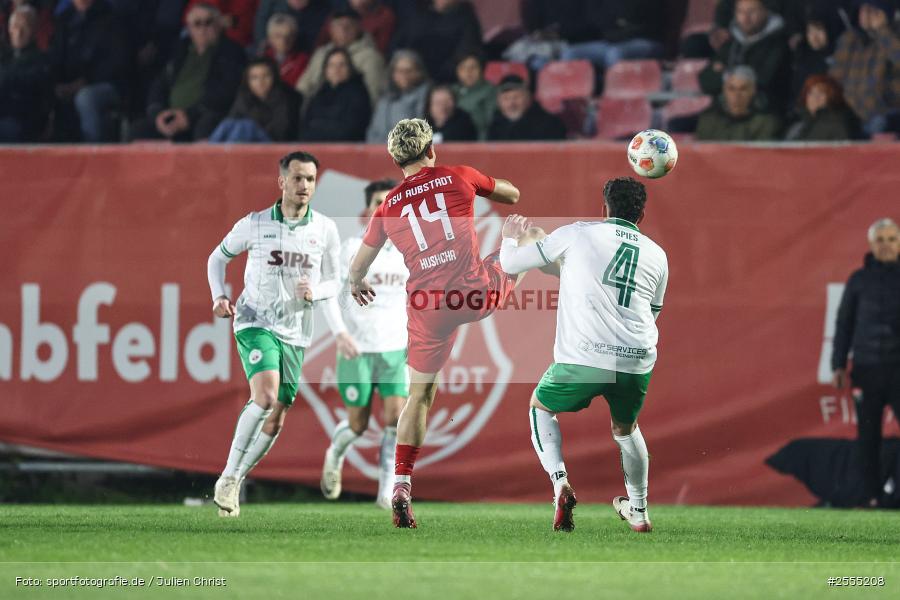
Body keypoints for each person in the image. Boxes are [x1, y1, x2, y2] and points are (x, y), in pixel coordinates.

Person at [348, 118, 523, 528]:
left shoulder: (387, 205)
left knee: (419, 396)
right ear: (431, 151)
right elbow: (512, 195)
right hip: (472, 293)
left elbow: (358, 267)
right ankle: (528, 252)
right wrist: (487, 195)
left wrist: (356, 282)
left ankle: (401, 484)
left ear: (395, 160)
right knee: (524, 239)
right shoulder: (459, 175)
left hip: (427, 307)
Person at [498, 177, 668, 533]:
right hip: (637, 357)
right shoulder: (657, 254)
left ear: (603, 208)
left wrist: (510, 236)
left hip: (586, 357)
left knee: (540, 407)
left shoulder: (579, 233)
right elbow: (651, 312)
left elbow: (512, 264)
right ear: (642, 214)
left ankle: (560, 483)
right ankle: (639, 511)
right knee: (626, 429)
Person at [208, 151, 341, 517]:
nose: (304, 186)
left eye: (311, 179)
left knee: (277, 415)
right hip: (255, 321)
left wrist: (319, 292)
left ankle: (233, 478)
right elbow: (217, 258)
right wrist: (219, 295)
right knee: (264, 397)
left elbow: (338, 279)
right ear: (282, 182)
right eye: (297, 178)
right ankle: (229, 478)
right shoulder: (254, 224)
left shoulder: (325, 229)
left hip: (296, 331)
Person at [320, 179, 409, 510]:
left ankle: (386, 492)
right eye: (377, 202)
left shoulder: (409, 254)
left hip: (395, 347)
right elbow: (333, 295)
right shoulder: (350, 250)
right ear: (367, 211)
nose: (383, 208)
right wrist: (340, 333)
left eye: (389, 202)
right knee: (358, 424)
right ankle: (336, 451)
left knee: (394, 420)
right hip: (357, 347)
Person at [832, 218, 900, 509]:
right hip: (867, 369)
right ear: (871, 244)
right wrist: (838, 364)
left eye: (891, 239)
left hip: (899, 371)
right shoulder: (859, 280)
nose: (885, 245)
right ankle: (872, 497)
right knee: (867, 438)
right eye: (880, 240)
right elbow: (844, 324)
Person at [133, 3, 246, 141]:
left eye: (208, 22)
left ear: (219, 25)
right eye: (197, 23)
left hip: (204, 114)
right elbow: (160, 84)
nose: (203, 28)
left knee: (206, 126)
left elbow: (226, 92)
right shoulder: (179, 50)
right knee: (138, 130)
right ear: (189, 28)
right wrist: (157, 114)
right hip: (171, 114)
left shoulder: (231, 52)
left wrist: (190, 114)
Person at [48, 0, 128, 142]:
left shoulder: (111, 17)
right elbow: (55, 58)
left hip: (107, 84)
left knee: (85, 97)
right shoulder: (63, 19)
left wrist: (85, 81)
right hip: (68, 84)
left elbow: (116, 61)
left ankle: (93, 154)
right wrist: (55, 84)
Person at [699, 0, 791, 111]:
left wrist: (725, 74)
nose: (745, 18)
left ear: (766, 12)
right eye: (740, 12)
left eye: (752, 12)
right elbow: (705, 80)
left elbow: (764, 80)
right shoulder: (732, 43)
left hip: (763, 112)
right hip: (725, 113)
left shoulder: (779, 44)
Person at [830, 0, 900, 137]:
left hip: (886, 113)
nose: (867, 15)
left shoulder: (894, 36)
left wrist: (882, 31)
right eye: (863, 10)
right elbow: (834, 77)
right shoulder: (849, 38)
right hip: (850, 115)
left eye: (873, 11)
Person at [295, 8, 384, 110]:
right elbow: (304, 85)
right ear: (331, 30)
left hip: (349, 115)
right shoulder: (321, 53)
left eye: (349, 25)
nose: (343, 29)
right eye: (338, 25)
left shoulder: (370, 58)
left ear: (359, 28)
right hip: (314, 113)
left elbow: (374, 95)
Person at [209, 56, 300, 142]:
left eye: (266, 76)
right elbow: (233, 120)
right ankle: (209, 152)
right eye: (254, 78)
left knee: (247, 126)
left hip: (274, 144)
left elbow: (280, 132)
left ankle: (229, 156)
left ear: (275, 77)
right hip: (246, 141)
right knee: (227, 124)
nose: (260, 82)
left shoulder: (285, 97)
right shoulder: (244, 96)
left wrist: (253, 128)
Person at [390, 0, 482, 83]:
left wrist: (433, 75)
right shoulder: (418, 13)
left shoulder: (466, 17)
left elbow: (466, 51)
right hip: (410, 74)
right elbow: (399, 42)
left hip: (445, 80)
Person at [298, 46, 371, 141]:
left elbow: (350, 130)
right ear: (325, 70)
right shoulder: (318, 94)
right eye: (331, 65)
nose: (336, 69)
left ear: (350, 69)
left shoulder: (359, 94)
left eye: (342, 65)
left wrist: (319, 127)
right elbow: (305, 127)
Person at [0, 5, 50, 142]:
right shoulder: (4, 57)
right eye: (15, 26)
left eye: (24, 27)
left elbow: (31, 89)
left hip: (22, 120)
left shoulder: (42, 60)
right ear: (9, 30)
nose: (19, 32)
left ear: (34, 32)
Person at [695, 66, 782, 140]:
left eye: (743, 89)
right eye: (731, 89)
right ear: (724, 91)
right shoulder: (708, 121)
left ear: (753, 90)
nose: (737, 95)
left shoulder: (766, 123)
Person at [365, 49, 429, 143]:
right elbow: (373, 131)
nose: (403, 75)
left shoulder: (426, 96)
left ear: (418, 72)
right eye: (399, 71)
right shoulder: (384, 99)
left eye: (408, 71)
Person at [487, 74, 566, 141]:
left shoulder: (550, 124)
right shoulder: (494, 126)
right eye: (506, 98)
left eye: (517, 97)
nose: (511, 103)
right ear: (499, 102)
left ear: (528, 98)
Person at [784, 74, 860, 141]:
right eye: (811, 93)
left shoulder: (838, 123)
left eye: (821, 93)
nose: (815, 98)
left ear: (832, 97)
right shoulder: (798, 125)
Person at [253, 0, 329, 53]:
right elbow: (260, 25)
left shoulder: (321, 8)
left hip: (303, 52)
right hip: (271, 49)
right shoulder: (271, 4)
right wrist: (264, 45)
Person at [452, 52, 495, 140]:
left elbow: (489, 123)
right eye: (463, 68)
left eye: (473, 67)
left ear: (482, 69)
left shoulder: (491, 90)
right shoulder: (451, 90)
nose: (468, 72)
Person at [260, 12, 309, 88]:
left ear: (294, 38)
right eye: (278, 36)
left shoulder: (303, 60)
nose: (283, 41)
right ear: (270, 38)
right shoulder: (262, 58)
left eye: (289, 36)